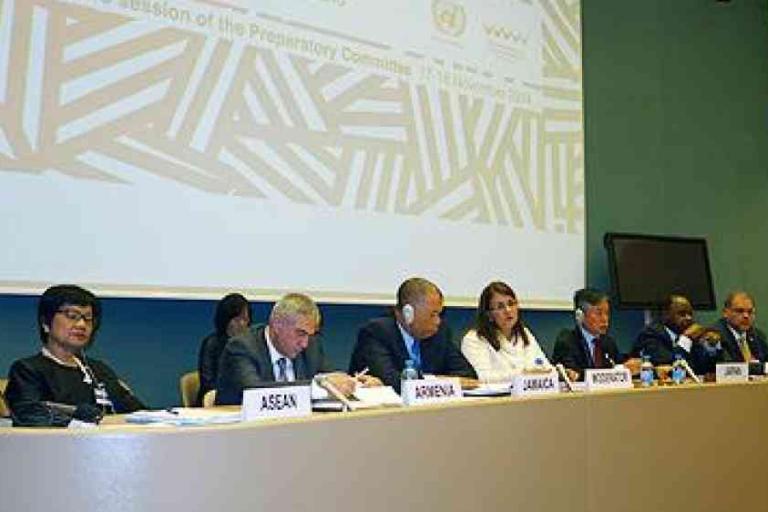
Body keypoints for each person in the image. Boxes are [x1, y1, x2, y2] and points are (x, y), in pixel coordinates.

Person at [5, 285, 145, 427]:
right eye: (72, 316)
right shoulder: (27, 370)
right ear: (46, 323)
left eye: (88, 318)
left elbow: (139, 413)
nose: (81, 324)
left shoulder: (99, 370)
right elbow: (29, 414)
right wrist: (93, 420)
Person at [215, 293, 379, 405]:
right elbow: (257, 395)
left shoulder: (312, 347)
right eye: (300, 333)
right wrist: (319, 388)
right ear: (277, 325)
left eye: (310, 335)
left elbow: (329, 380)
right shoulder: (242, 348)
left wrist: (354, 385)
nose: (305, 343)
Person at [348, 277, 477, 392]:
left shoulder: (440, 333)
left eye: (439, 314)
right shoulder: (376, 332)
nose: (438, 321)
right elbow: (391, 380)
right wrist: (437, 381)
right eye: (433, 314)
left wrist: (431, 380)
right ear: (408, 313)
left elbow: (468, 376)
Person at [461, 281, 550, 382]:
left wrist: (555, 372)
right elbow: (481, 377)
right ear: (489, 315)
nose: (508, 310)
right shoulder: (474, 339)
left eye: (511, 304)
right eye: (500, 307)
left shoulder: (524, 333)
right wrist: (523, 374)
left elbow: (545, 367)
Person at [552, 288, 640, 380]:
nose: (605, 319)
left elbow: (618, 366)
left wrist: (630, 368)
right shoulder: (567, 341)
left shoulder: (608, 342)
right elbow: (573, 375)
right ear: (580, 316)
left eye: (607, 313)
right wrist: (614, 372)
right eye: (599, 313)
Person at [632, 294, 721, 375]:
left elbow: (706, 368)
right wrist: (686, 338)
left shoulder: (694, 335)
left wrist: (712, 346)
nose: (689, 318)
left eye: (690, 314)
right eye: (682, 314)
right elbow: (671, 367)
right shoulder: (650, 334)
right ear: (666, 314)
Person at [196, 293, 252, 405]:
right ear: (226, 320)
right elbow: (208, 383)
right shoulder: (212, 344)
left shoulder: (251, 345)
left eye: (245, 319)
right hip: (215, 402)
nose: (242, 324)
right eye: (237, 320)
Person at [711, 291, 768, 365]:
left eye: (750, 312)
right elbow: (726, 366)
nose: (746, 316)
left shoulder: (758, 335)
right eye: (740, 311)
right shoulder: (715, 335)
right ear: (725, 313)